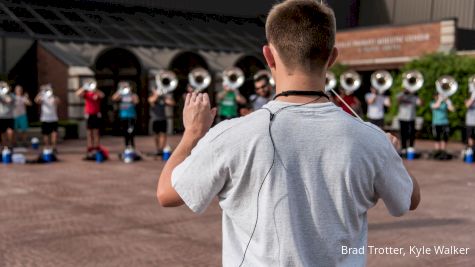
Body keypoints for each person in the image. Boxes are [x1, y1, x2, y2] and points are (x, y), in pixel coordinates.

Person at [157, 1, 420, 266]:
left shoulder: (229, 134)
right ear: (332, 58)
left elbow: (167, 194)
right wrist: (390, 152)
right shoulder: (371, 139)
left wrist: (192, 134)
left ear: (268, 56)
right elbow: (410, 199)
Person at [76, 82, 105, 154]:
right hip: (89, 115)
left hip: (96, 114)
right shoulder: (87, 94)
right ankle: (90, 147)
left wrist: (95, 90)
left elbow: (102, 95)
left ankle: (96, 146)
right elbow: (78, 94)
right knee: (89, 132)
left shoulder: (96, 93)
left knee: (96, 132)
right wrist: (84, 87)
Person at [112, 82, 139, 149]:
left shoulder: (133, 95)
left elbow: (136, 101)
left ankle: (132, 146)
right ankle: (126, 146)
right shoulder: (121, 95)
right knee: (125, 132)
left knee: (131, 131)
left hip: (132, 116)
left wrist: (130, 93)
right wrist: (120, 91)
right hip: (123, 116)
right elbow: (113, 98)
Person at [148, 89, 175, 156]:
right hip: (155, 119)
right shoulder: (152, 98)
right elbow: (151, 100)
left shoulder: (163, 98)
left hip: (163, 119)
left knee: (163, 134)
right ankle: (158, 149)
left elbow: (172, 103)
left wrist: (164, 96)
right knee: (156, 135)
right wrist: (156, 94)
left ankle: (162, 149)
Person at [34, 84, 60, 152]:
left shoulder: (54, 97)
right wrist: (41, 92)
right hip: (45, 119)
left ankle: (54, 147)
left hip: (53, 119)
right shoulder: (43, 98)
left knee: (54, 134)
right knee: (45, 134)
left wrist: (51, 95)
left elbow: (57, 101)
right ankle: (47, 147)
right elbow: (36, 100)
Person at [397, 88, 422, 154]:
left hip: (411, 118)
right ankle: (403, 148)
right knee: (403, 134)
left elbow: (421, 103)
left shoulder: (414, 96)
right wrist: (404, 93)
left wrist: (417, 95)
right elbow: (398, 100)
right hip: (402, 117)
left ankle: (411, 148)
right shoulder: (401, 94)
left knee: (411, 134)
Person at [0, 83, 15, 148]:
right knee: (2, 132)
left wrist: (4, 92)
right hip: (1, 116)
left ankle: (9, 144)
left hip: (9, 116)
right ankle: (4, 144)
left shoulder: (12, 95)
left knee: (10, 131)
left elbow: (8, 100)